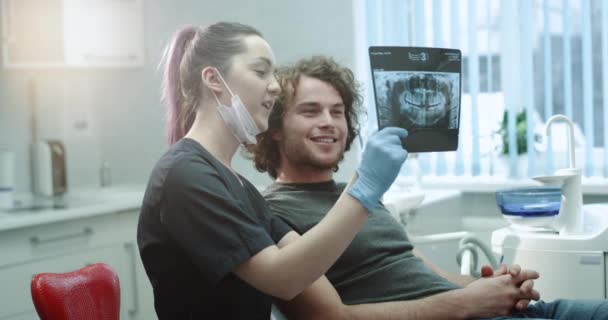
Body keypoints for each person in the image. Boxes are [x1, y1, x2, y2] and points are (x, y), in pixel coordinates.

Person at [253, 55, 608, 319]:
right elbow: (326, 317)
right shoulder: (273, 213)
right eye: (311, 111)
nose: (329, 123)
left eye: (338, 111)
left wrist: (492, 286)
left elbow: (429, 275)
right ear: (274, 127)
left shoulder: (360, 197)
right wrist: (467, 303)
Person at [136, 23, 409, 319]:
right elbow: (283, 279)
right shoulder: (185, 175)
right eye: (260, 71)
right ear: (214, 79)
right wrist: (365, 185)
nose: (276, 85)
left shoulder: (237, 185)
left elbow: (303, 264)